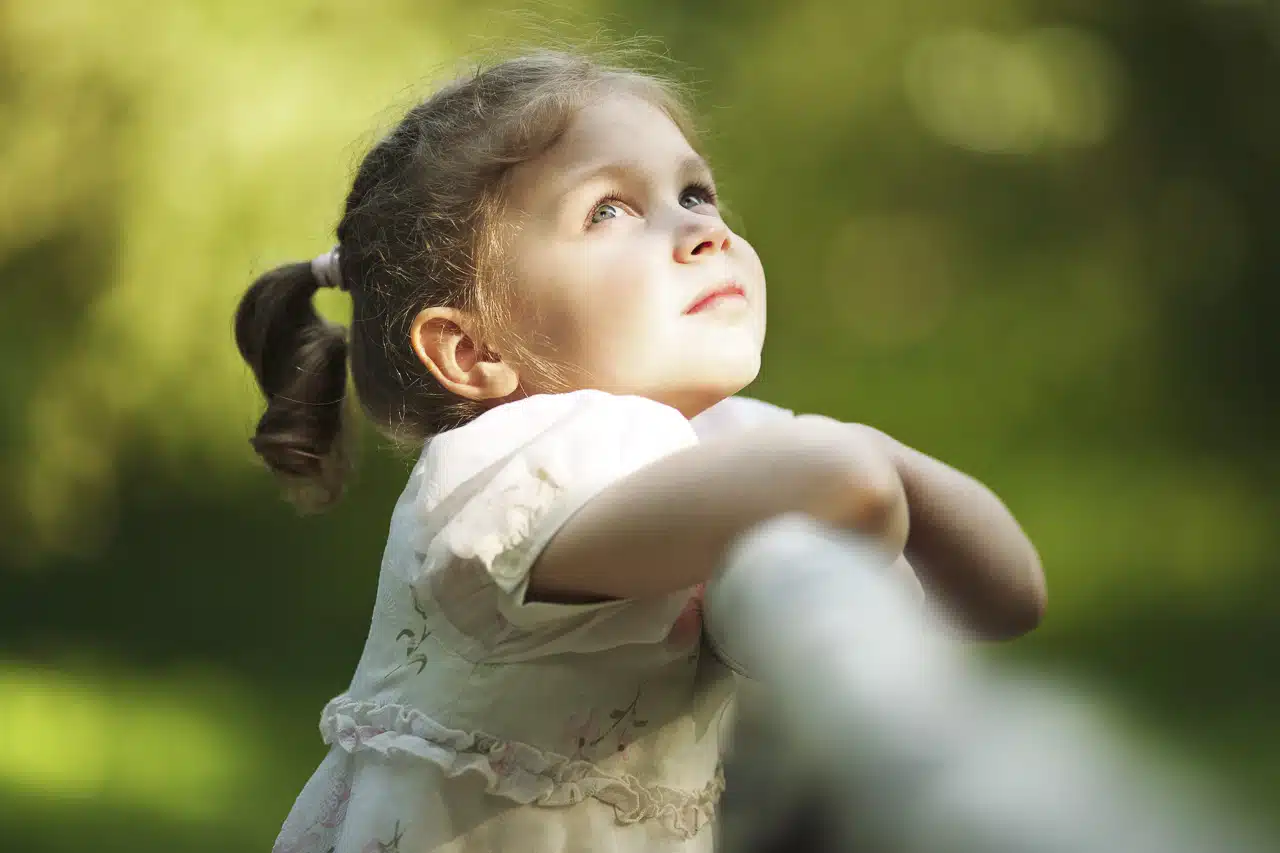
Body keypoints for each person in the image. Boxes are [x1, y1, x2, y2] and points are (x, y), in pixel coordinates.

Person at [235, 49, 1046, 853]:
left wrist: (857, 452)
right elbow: (856, 486)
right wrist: (858, 451)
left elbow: (1006, 599)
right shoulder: (509, 472)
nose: (701, 231)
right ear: (473, 351)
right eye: (608, 210)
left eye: (695, 192)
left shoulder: (726, 440)